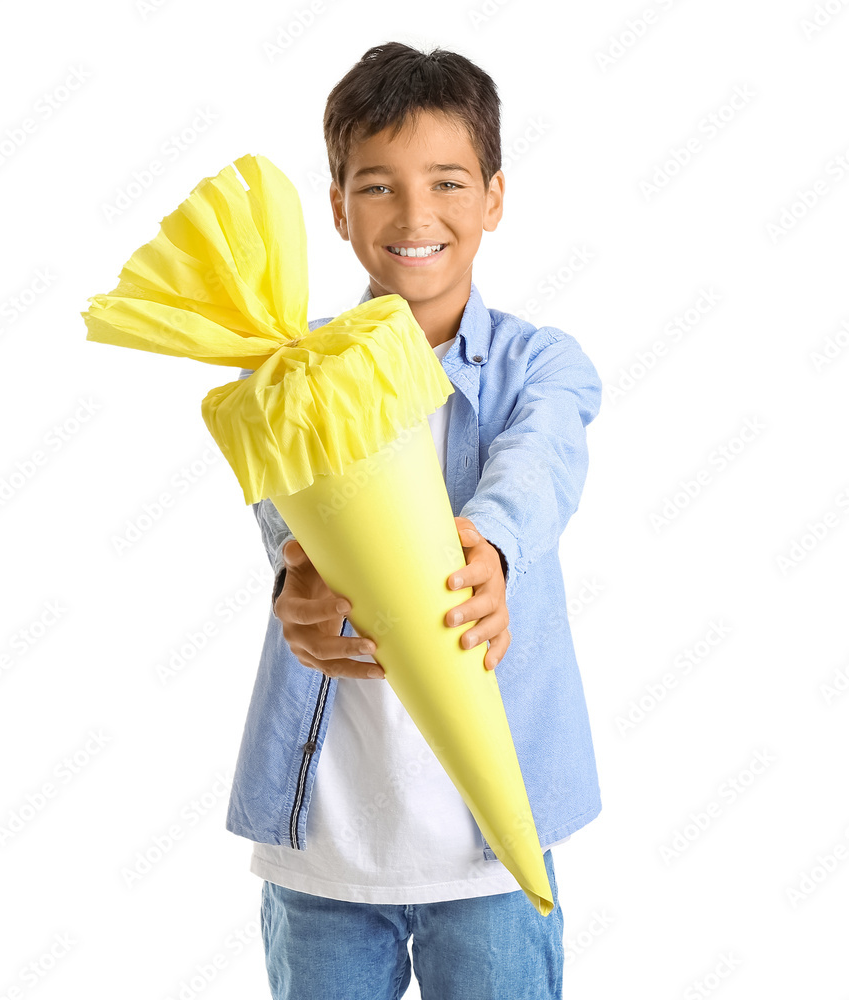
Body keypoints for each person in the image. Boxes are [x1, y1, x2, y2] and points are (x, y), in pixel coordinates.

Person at [226, 41, 603, 1000]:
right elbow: (285, 526)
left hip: (488, 856)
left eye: (446, 181)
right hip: (327, 849)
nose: (415, 215)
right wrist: (295, 583)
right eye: (378, 186)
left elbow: (542, 461)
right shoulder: (288, 379)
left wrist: (493, 548)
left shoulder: (540, 365)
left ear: (495, 196)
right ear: (338, 206)